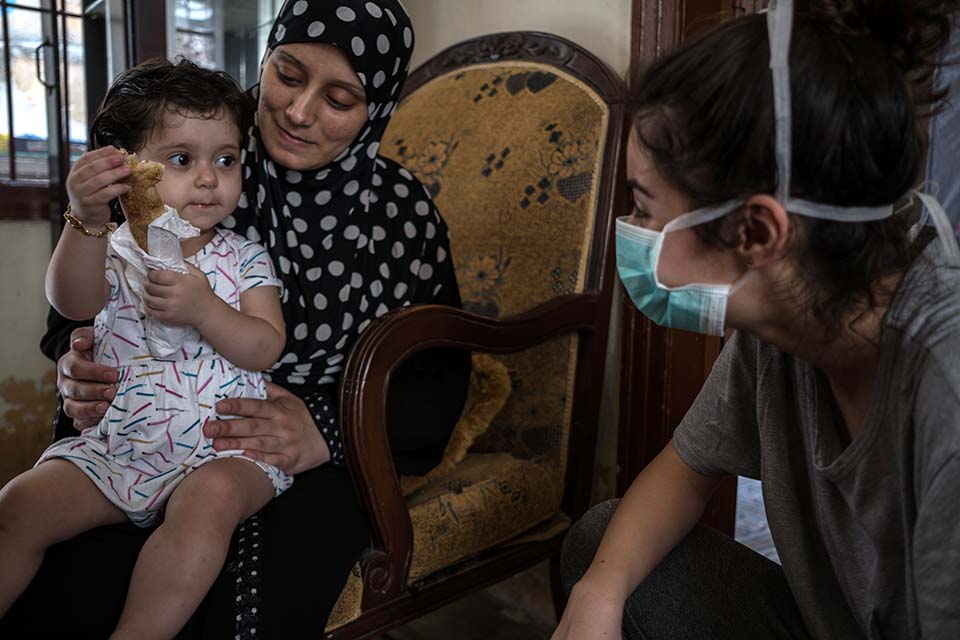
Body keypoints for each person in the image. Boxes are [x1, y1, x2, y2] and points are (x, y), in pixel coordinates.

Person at [0, 1, 470, 638]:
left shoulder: (401, 215)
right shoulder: (196, 148)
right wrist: (75, 360)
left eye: (340, 98)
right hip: (140, 424)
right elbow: (85, 298)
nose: (300, 112)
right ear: (266, 59)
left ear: (376, 108)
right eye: (289, 73)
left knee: (242, 600)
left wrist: (328, 429)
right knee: (71, 575)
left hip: (306, 452)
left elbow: (436, 374)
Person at [556, 0, 960, 639]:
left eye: (645, 206)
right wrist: (598, 594)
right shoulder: (784, 330)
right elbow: (685, 469)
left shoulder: (945, 389)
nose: (631, 233)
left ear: (756, 229)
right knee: (604, 546)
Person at [0, 58, 291, 639]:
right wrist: (83, 218)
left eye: (226, 160)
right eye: (182, 160)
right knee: (18, 504)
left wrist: (208, 310)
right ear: (127, 170)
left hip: (221, 450)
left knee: (205, 512)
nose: (210, 178)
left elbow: (266, 347)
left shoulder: (243, 257)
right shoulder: (112, 247)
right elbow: (73, 301)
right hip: (120, 446)